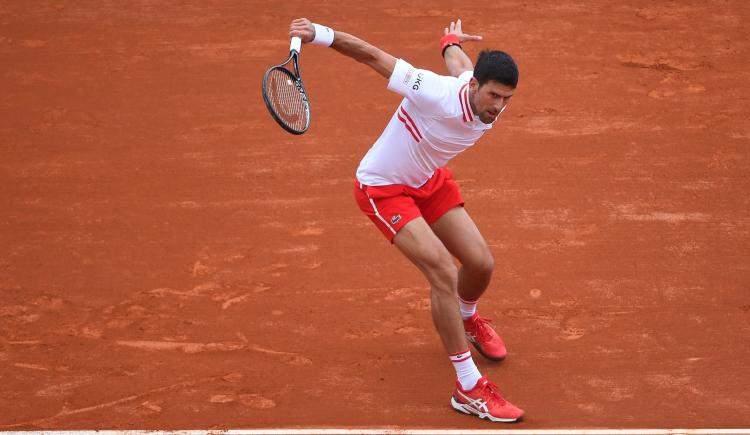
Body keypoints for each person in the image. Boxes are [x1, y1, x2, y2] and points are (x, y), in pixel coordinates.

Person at [289, 17, 524, 423]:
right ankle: (468, 387)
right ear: (475, 87)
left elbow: (457, 60)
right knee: (441, 272)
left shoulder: (475, 87)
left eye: (506, 99)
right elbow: (372, 56)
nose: (498, 107)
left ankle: (467, 317)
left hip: (428, 180)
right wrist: (321, 34)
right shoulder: (431, 91)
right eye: (493, 96)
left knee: (481, 264)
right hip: (384, 187)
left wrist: (449, 39)